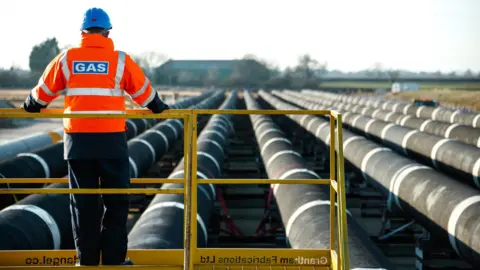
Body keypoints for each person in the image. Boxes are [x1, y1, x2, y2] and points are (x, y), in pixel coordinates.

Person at [22, 7, 169, 266]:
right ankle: (113, 261)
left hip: (78, 143)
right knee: (116, 201)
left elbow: (41, 95)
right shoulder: (120, 60)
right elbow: (146, 96)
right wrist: (158, 106)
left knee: (83, 204)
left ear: (82, 32)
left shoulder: (67, 59)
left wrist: (30, 103)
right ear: (108, 32)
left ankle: (86, 261)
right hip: (111, 141)